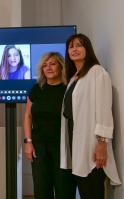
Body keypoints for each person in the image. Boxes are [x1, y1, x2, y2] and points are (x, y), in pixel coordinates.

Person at [61, 33, 121, 199]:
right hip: (77, 142)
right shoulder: (74, 78)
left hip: (93, 144)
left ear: (88, 49)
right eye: (71, 46)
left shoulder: (97, 72)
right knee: (84, 188)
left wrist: (102, 143)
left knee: (92, 191)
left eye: (79, 45)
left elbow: (104, 109)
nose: (74, 49)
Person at [23, 52, 76, 199]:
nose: (48, 68)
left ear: (61, 66)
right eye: (45, 65)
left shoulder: (69, 89)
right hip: (39, 147)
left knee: (64, 189)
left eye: (52, 64)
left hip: (63, 147)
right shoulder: (36, 89)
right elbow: (28, 115)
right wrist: (28, 141)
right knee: (41, 190)